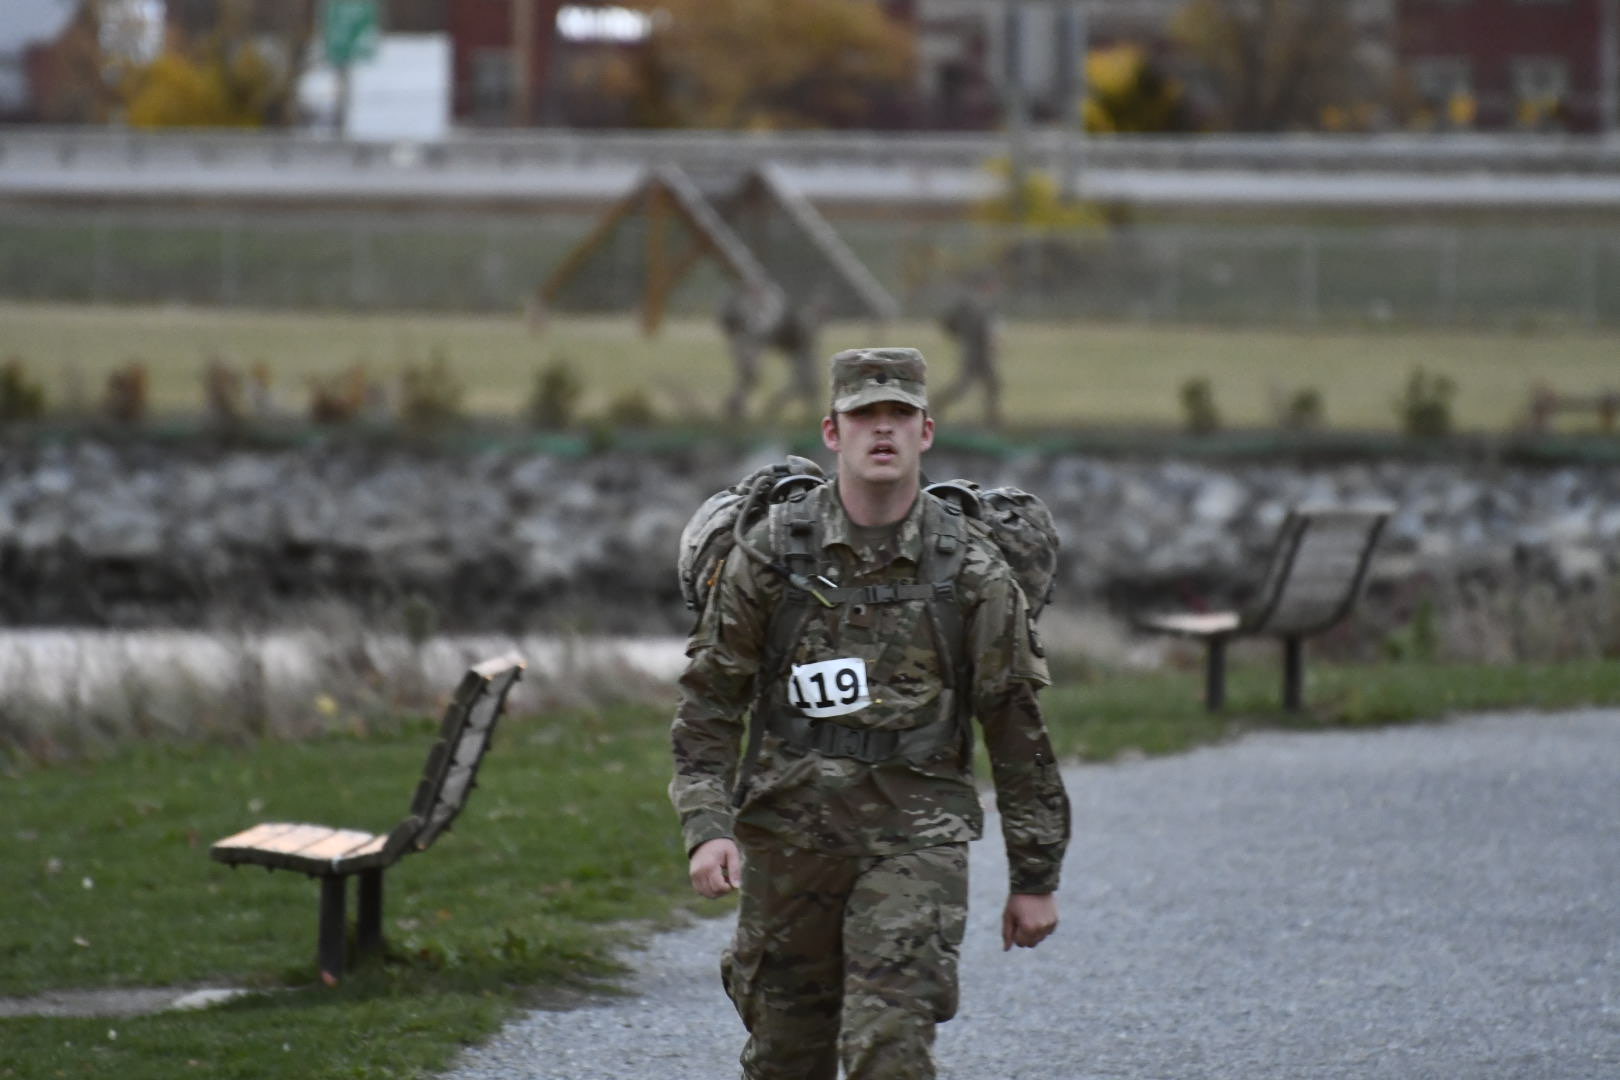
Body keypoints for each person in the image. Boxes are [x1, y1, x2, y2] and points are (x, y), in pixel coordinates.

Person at [669, 347, 1071, 1080]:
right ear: (833, 431)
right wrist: (706, 829)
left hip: (917, 837)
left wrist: (1035, 874)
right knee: (787, 1058)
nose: (881, 430)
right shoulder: (770, 557)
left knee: (891, 1046)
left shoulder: (971, 568)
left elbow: (1016, 726)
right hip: (791, 836)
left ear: (925, 432)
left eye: (899, 415)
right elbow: (709, 706)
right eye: (864, 415)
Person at [934, 278, 1003, 429]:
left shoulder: (982, 303)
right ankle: (935, 404)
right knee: (964, 387)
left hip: (979, 351)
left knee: (992, 385)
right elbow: (950, 322)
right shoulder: (972, 304)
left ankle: (992, 419)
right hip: (975, 352)